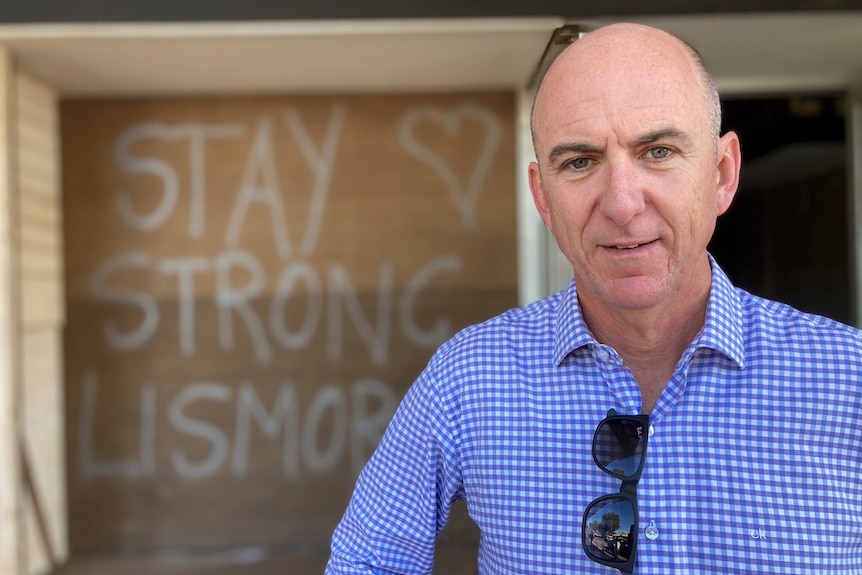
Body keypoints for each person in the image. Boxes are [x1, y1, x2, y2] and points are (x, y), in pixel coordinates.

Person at [325, 22, 862, 574]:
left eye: (657, 151)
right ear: (543, 198)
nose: (623, 204)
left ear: (722, 174)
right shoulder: (469, 379)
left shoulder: (849, 380)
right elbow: (368, 559)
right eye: (580, 162)